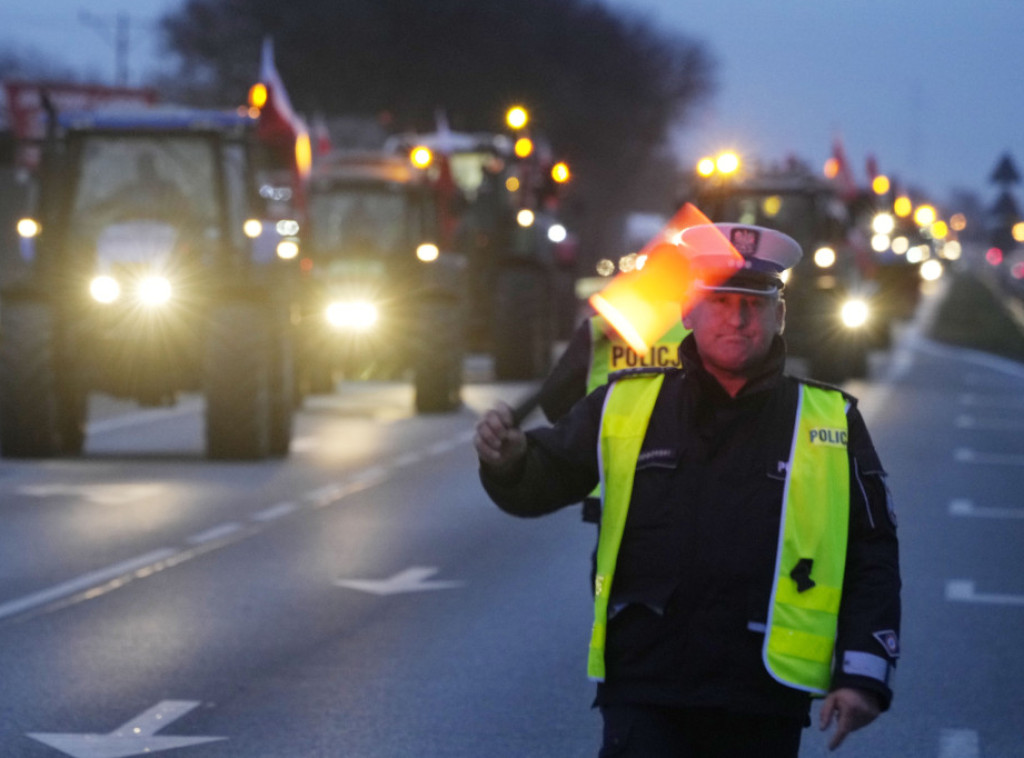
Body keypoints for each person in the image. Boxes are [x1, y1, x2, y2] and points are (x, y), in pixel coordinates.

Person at [474, 223, 901, 757]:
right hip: (646, 688)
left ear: (780, 315)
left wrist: (862, 674)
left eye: (754, 303)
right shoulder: (625, 402)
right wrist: (511, 461)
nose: (738, 318)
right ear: (687, 313)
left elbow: (873, 555)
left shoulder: (831, 420)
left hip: (762, 698)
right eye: (720, 301)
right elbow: (540, 483)